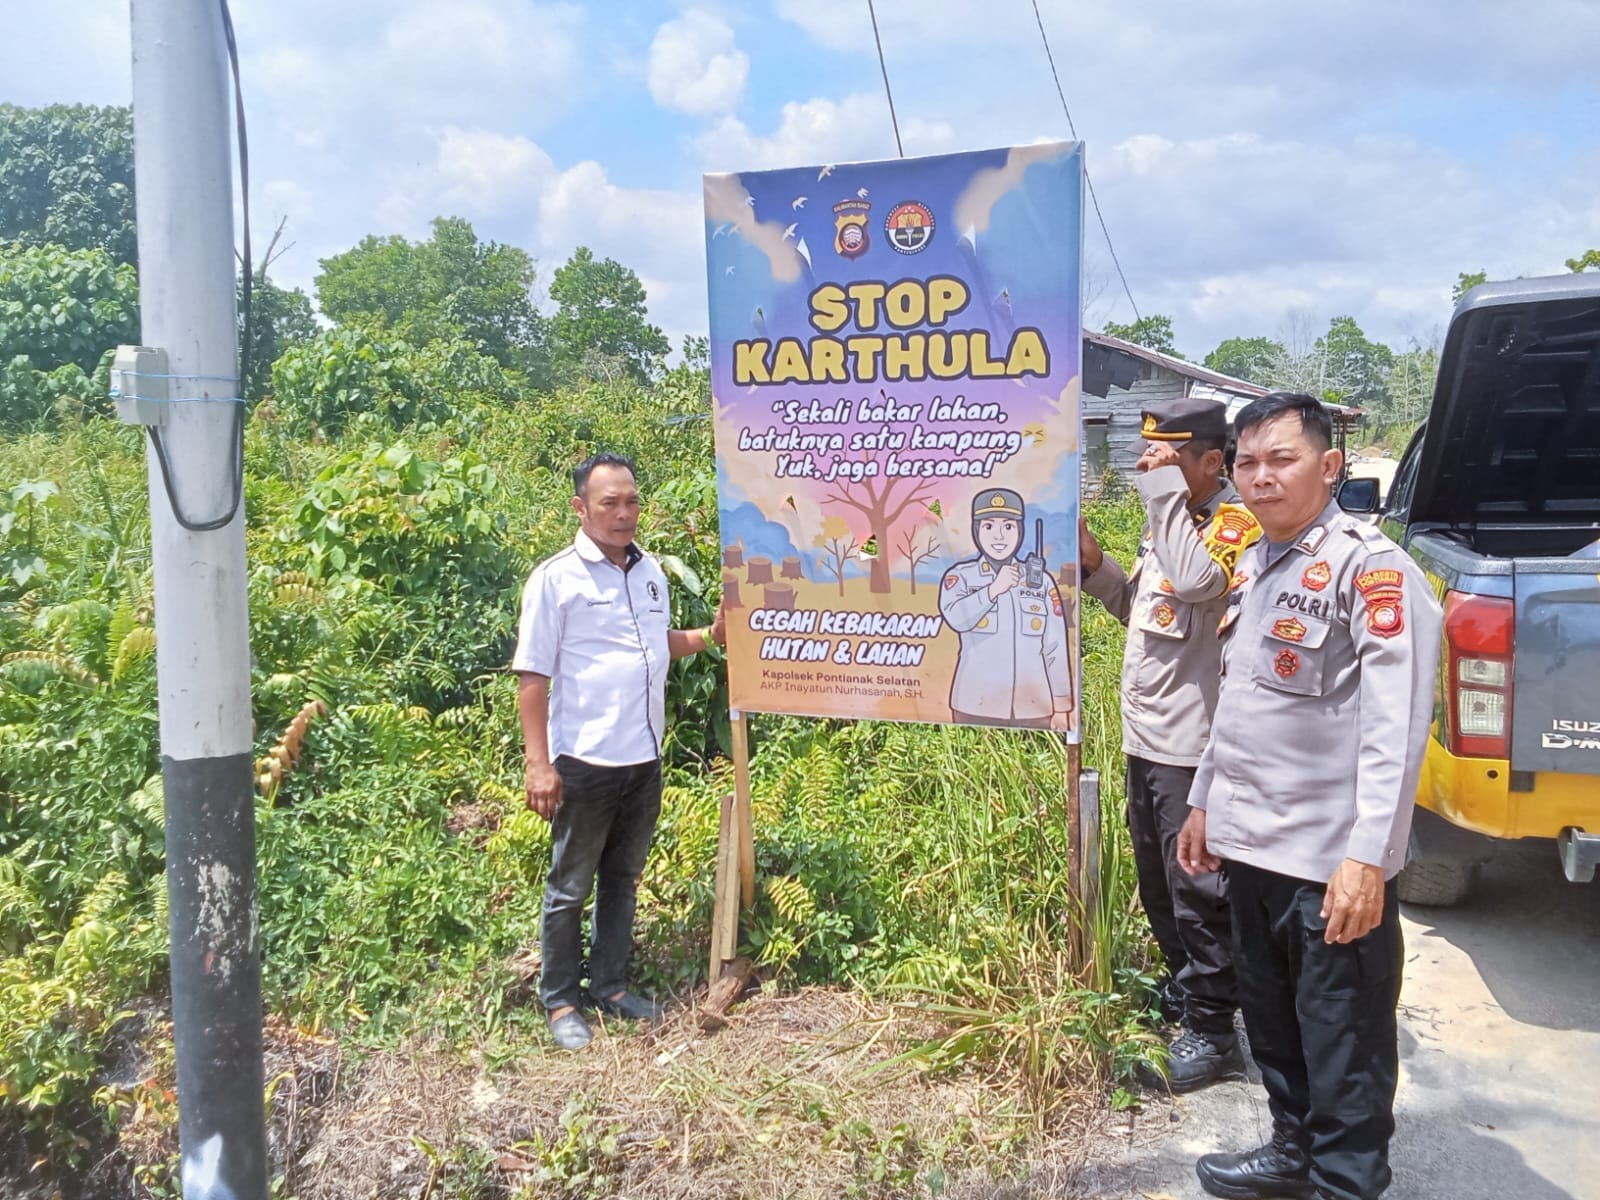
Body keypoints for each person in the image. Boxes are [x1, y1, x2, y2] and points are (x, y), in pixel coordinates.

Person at [1178, 393, 1443, 1200]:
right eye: (1247, 462)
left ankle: (1345, 1183)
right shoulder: (1257, 560)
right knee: (1276, 1026)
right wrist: (1202, 800)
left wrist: (1369, 857)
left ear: (1330, 467)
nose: (1261, 478)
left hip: (1332, 865)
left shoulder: (1374, 570)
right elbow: (1242, 702)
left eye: (1281, 459)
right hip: (1254, 849)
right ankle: (1294, 1152)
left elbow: (1396, 731)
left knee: (1345, 1044)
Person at [512, 452, 726, 1051]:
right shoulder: (556, 579)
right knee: (570, 886)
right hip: (584, 760)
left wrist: (711, 636)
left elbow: (657, 644)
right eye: (609, 503)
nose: (624, 513)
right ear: (581, 508)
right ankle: (559, 1003)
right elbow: (532, 676)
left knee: (623, 879)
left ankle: (608, 986)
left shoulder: (650, 571)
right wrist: (539, 763)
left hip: (643, 758)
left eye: (631, 501)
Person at [1079, 395, 1261, 1092]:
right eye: (1146, 454)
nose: (1148, 465)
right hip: (1148, 739)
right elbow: (1142, 610)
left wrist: (1160, 498)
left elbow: (1199, 583)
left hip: (1193, 748)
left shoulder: (1231, 523)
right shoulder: (1172, 522)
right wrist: (1097, 567)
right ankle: (1189, 994)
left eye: (1167, 457)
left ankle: (1216, 1033)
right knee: (1159, 883)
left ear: (1212, 462)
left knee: (1199, 891)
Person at [939, 487, 1074, 729]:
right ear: (976, 530)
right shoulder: (961, 578)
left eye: (1008, 526)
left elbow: (1055, 646)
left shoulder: (1040, 581)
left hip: (1033, 708)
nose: (999, 536)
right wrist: (992, 590)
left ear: (1019, 531)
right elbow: (956, 618)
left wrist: (1062, 705)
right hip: (974, 706)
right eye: (989, 526)